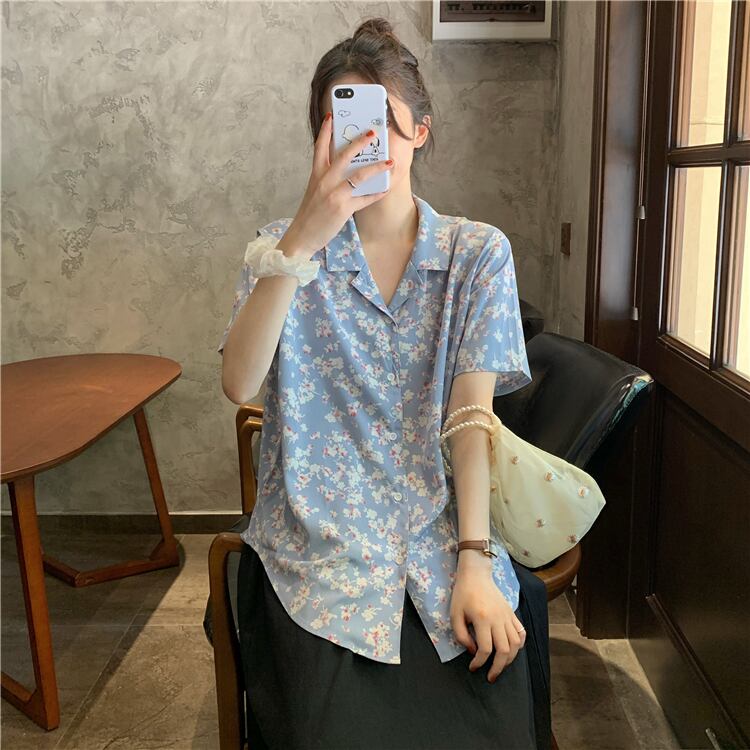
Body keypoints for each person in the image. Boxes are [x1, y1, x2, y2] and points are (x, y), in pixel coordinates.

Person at [218, 17, 551, 750]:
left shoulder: (476, 254)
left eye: (385, 124)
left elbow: (470, 418)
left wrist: (473, 559)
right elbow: (239, 383)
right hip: (318, 549)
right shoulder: (277, 250)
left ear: (420, 132)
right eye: (344, 125)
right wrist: (302, 240)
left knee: (489, 721)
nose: (366, 144)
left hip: (441, 533)